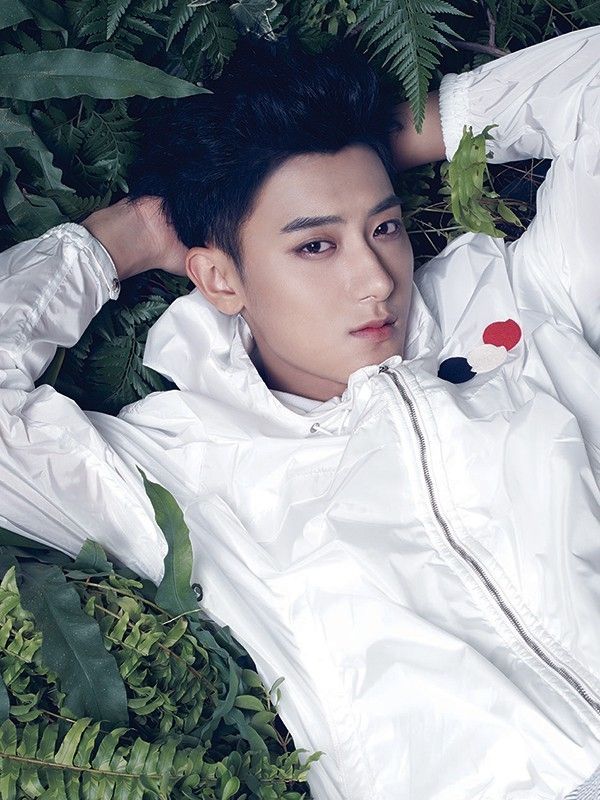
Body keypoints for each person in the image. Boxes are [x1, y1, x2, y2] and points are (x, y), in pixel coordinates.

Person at [1, 24, 599, 800]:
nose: (375, 279)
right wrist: (121, 239)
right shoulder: (187, 476)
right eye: (315, 246)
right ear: (220, 279)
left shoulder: (528, 301)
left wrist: (389, 138)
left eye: (383, 227)